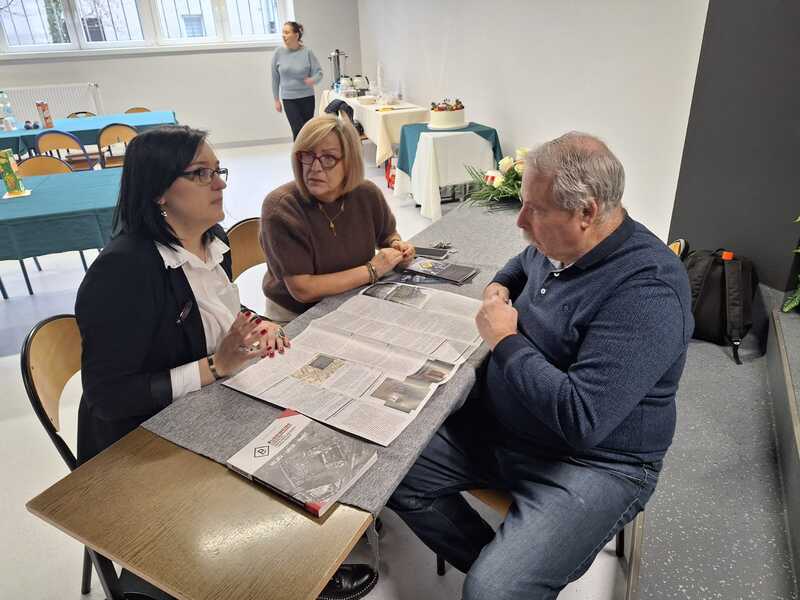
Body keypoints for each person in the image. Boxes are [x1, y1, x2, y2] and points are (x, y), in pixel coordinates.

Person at [388, 132, 693, 600]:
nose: (521, 220)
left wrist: (505, 340)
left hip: (596, 463)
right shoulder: (563, 245)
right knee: (390, 473)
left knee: (493, 591)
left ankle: (506, 581)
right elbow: (523, 262)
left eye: (535, 209)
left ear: (587, 212)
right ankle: (506, 571)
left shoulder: (648, 292)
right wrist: (497, 285)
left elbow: (581, 419)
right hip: (505, 432)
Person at [76, 125, 288, 464]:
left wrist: (257, 324)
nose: (220, 183)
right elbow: (108, 397)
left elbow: (212, 306)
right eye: (201, 174)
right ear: (158, 191)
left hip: (206, 409)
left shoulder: (212, 239)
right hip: (141, 444)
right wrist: (215, 367)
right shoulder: (122, 272)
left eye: (218, 171)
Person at [260, 115, 415, 323]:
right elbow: (303, 289)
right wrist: (373, 269)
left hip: (353, 299)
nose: (315, 168)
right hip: (296, 315)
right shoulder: (282, 207)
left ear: (349, 162)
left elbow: (387, 235)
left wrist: (398, 246)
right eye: (307, 155)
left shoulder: (366, 193)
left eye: (328, 158)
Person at [271, 21, 323, 140]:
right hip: (289, 99)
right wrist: (276, 100)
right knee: (297, 129)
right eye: (283, 32)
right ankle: (299, 157)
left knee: (307, 130)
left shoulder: (307, 52)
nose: (283, 35)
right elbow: (275, 78)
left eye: (287, 32)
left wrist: (312, 80)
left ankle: (309, 155)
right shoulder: (278, 53)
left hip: (307, 97)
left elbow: (319, 73)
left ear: (296, 35)